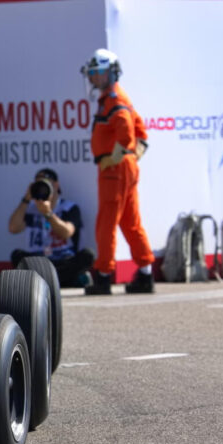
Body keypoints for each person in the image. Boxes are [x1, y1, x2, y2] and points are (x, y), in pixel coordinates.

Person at [81, 48, 155, 294]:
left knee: (107, 223)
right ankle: (145, 273)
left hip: (114, 171)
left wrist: (114, 158)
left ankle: (103, 276)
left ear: (111, 73)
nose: (94, 78)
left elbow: (126, 134)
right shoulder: (115, 98)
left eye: (99, 73)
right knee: (131, 222)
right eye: (93, 73)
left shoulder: (115, 100)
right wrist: (131, 155)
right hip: (123, 168)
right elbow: (140, 132)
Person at [8, 168, 95, 287]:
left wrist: (48, 213)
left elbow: (67, 233)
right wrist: (26, 199)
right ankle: (63, 281)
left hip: (63, 259)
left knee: (87, 255)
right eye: (38, 184)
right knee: (17, 255)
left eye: (45, 184)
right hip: (38, 261)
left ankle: (47, 281)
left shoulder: (69, 208)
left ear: (56, 185)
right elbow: (13, 228)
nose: (42, 189)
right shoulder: (30, 208)